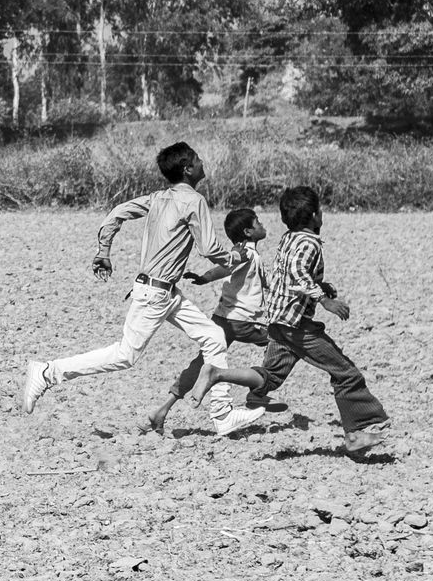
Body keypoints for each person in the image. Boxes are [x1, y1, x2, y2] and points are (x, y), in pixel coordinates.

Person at [19, 142, 267, 438]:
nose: (203, 163)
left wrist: (104, 250)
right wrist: (234, 257)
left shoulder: (158, 197)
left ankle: (223, 415)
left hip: (166, 293)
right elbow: (209, 249)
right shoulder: (194, 201)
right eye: (198, 160)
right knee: (125, 355)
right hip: (155, 294)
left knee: (214, 337)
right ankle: (48, 372)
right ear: (188, 169)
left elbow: (116, 213)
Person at [205, 186, 393, 458]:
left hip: (279, 324)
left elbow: (289, 273)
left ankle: (218, 373)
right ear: (316, 215)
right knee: (345, 373)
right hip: (298, 327)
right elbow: (296, 273)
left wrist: (320, 285)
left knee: (269, 376)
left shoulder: (289, 238)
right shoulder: (309, 243)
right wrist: (323, 300)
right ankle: (357, 433)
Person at [144, 207, 272, 435]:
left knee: (200, 365)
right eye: (257, 222)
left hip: (223, 318)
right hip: (241, 321)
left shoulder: (249, 253)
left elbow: (261, 280)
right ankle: (258, 392)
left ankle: (162, 409)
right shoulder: (246, 252)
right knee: (279, 342)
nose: (262, 225)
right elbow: (226, 267)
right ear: (248, 231)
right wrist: (205, 278)